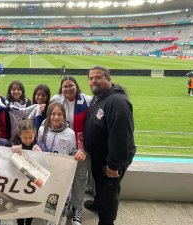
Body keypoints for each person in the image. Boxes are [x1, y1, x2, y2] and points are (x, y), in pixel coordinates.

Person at [83, 66, 136, 225]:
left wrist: (113, 165)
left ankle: (107, 220)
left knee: (109, 191)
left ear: (108, 79)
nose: (93, 81)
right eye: (91, 78)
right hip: (99, 156)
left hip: (110, 160)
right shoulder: (99, 97)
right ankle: (98, 204)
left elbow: (121, 136)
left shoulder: (117, 102)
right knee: (99, 184)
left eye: (98, 77)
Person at [50, 75, 92, 225]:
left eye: (71, 85)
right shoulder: (56, 100)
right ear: (61, 88)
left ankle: (77, 209)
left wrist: (85, 148)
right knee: (60, 177)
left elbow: (92, 125)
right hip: (61, 147)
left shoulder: (87, 100)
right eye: (65, 86)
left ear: (76, 86)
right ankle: (62, 206)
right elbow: (49, 118)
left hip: (81, 148)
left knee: (80, 179)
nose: (68, 89)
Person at [37, 102, 87, 225]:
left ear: (64, 116)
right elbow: (39, 149)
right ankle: (50, 218)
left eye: (59, 114)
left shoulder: (70, 133)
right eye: (53, 114)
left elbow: (72, 153)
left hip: (63, 174)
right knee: (49, 197)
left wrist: (79, 154)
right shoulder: (42, 130)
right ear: (48, 115)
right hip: (47, 172)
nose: (56, 117)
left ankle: (62, 216)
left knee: (63, 198)